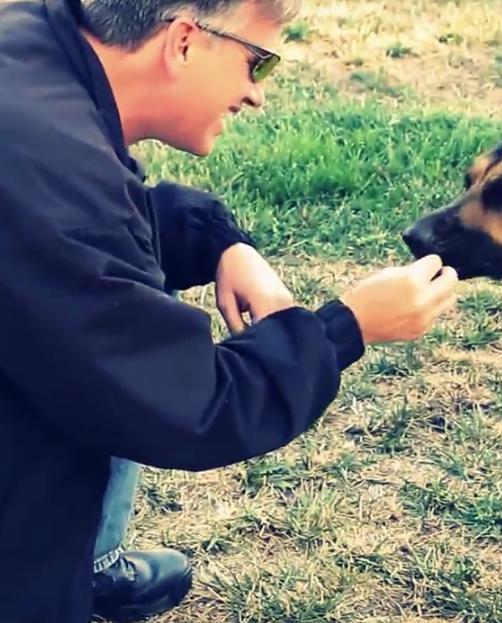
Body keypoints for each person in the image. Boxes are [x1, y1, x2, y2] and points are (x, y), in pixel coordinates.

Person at [0, 0, 459, 622]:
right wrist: (344, 328)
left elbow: (85, 240)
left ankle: (90, 564)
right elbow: (187, 405)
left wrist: (219, 241)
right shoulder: (52, 174)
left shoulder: (32, 56)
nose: (255, 95)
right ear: (184, 40)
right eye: (257, 63)